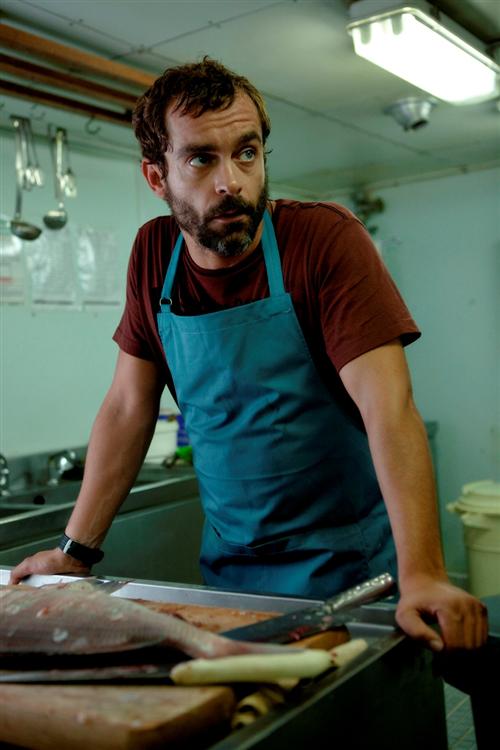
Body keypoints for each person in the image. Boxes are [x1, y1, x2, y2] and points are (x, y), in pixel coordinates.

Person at [11, 58, 487, 651]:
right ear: (157, 177)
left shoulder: (323, 240)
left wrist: (425, 575)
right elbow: (128, 406)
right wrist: (75, 550)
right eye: (201, 159)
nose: (231, 181)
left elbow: (388, 408)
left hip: (351, 571)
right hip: (232, 573)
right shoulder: (153, 254)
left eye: (247, 152)